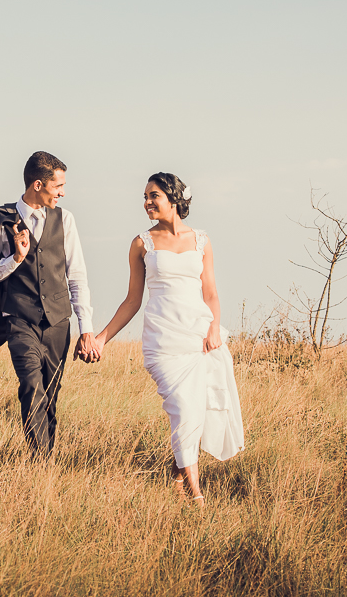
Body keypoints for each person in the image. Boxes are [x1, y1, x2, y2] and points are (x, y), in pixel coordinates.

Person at [83, 173, 244, 502]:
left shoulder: (201, 240)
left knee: (195, 411)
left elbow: (211, 292)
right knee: (184, 409)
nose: (146, 202)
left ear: (173, 199)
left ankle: (179, 471)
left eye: (153, 195)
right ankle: (196, 496)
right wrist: (101, 339)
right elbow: (132, 300)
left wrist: (214, 327)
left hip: (198, 336)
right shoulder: (142, 244)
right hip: (162, 341)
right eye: (144, 196)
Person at [0, 151, 98, 457]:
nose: (63, 192)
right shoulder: (3, 221)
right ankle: (39, 461)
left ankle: (46, 458)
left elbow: (76, 276)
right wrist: (16, 258)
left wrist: (86, 329)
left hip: (58, 323)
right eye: (58, 186)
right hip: (19, 319)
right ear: (38, 184)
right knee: (30, 385)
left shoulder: (65, 219)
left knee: (51, 394)